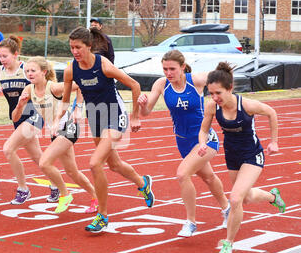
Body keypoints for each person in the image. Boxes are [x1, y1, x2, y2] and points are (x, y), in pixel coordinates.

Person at [60, 26, 154, 233]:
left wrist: (135, 116)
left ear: (89, 46)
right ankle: (143, 183)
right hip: (94, 116)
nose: (75, 52)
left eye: (78, 47)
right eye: (71, 47)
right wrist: (59, 119)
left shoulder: (104, 65)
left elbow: (135, 85)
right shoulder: (70, 70)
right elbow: (66, 99)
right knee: (114, 164)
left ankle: (102, 216)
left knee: (95, 163)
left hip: (114, 114)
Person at [198, 62, 286, 253]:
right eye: (211, 93)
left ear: (230, 89)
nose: (214, 98)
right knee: (245, 197)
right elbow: (203, 129)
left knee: (235, 198)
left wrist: (274, 142)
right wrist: (202, 143)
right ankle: (272, 196)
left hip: (252, 155)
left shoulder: (247, 105)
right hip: (232, 156)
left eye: (218, 93)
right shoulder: (212, 107)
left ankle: (228, 243)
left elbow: (271, 112)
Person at [137, 49, 230, 237]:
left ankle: (190, 222)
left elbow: (223, 80)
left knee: (182, 174)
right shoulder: (161, 84)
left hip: (204, 138)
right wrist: (142, 104)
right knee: (209, 177)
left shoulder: (196, 80)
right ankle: (228, 209)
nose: (168, 73)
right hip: (182, 141)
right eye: (165, 69)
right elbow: (146, 113)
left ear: (182, 67)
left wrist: (222, 101)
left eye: (172, 69)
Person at [12, 56, 98, 214]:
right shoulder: (28, 90)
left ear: (44, 72)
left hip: (69, 127)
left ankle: (65, 195)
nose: (29, 74)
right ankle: (96, 197)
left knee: (44, 162)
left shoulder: (54, 88)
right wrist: (20, 105)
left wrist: (78, 107)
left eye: (33, 71)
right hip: (55, 131)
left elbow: (79, 85)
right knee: (72, 172)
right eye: (27, 71)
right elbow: (14, 118)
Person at [0, 36, 58, 203]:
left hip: (34, 114)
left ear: (15, 54)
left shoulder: (27, 69)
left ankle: (23, 189)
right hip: (16, 116)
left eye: (5, 56)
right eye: (0, 56)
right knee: (37, 157)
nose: (1, 59)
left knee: (8, 149)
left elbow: (46, 86)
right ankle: (56, 186)